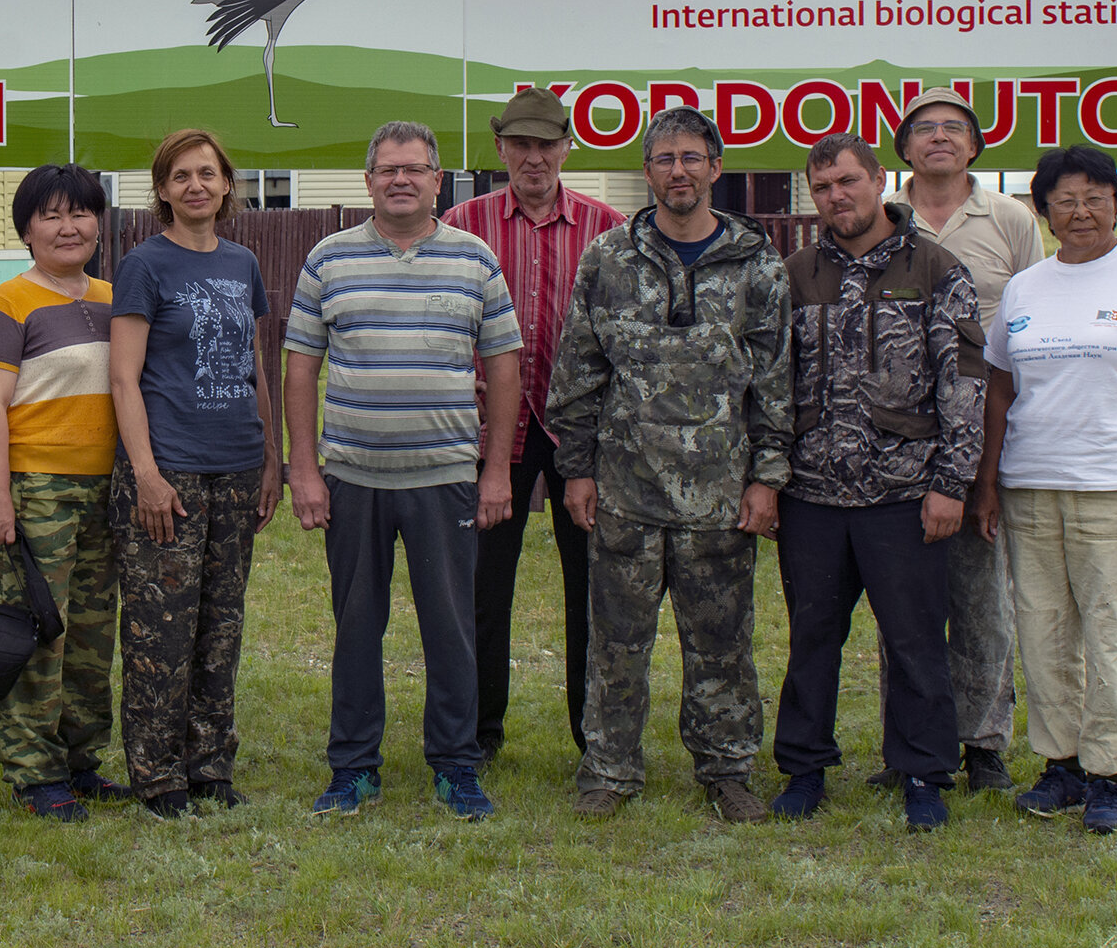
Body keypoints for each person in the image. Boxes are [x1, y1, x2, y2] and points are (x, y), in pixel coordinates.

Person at [548, 106, 788, 824]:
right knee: (615, 639)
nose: (677, 171)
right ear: (647, 171)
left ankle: (727, 769)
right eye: (663, 159)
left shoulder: (755, 262)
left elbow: (774, 379)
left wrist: (766, 477)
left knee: (722, 640)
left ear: (716, 167)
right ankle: (610, 767)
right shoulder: (610, 258)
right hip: (626, 486)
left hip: (719, 492)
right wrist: (577, 468)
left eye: (691, 157)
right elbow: (579, 369)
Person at [286, 121, 522, 821]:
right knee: (356, 624)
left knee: (452, 627)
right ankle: (354, 767)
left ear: (437, 180)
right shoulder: (328, 260)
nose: (401, 180)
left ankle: (456, 765)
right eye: (387, 169)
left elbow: (504, 368)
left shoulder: (475, 260)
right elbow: (301, 367)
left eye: (414, 169)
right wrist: (305, 466)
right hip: (354, 475)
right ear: (368, 181)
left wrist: (497, 469)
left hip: (443, 474)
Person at [981, 145, 1117, 836]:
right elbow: (999, 388)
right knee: (1043, 634)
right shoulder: (1026, 287)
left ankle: (1111, 775)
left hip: (1116, 489)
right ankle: (1061, 766)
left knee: (1111, 634)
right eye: (1065, 199)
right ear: (1042, 210)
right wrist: (987, 483)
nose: (1081, 211)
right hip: (1032, 485)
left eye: (1095, 196)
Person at [772, 133, 985, 832]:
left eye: (848, 181)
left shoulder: (934, 267)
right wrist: (771, 478)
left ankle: (924, 771)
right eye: (823, 185)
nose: (836, 196)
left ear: (879, 180)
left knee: (916, 640)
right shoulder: (797, 272)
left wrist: (951, 483)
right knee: (811, 638)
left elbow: (963, 384)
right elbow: (772, 385)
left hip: (903, 494)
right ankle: (804, 769)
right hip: (812, 496)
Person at [864, 87, 1047, 794]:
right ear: (904, 149)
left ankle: (983, 742)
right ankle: (909, 740)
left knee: (981, 598)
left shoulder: (1008, 220)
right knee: (902, 598)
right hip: (894, 438)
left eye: (954, 129)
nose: (939, 138)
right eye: (924, 129)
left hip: (981, 427)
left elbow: (1031, 316)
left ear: (974, 146)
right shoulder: (886, 220)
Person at [441, 86, 625, 765]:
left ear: (568, 148)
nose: (534, 156)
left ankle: (593, 734)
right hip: (492, 429)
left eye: (546, 143)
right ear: (500, 149)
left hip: (583, 430)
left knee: (594, 588)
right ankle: (481, 731)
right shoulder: (462, 223)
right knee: (483, 585)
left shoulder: (609, 227)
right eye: (520, 143)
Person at [108, 130, 283, 819]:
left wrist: (271, 458)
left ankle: (211, 763)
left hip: (236, 466)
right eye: (180, 175)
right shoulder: (144, 264)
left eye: (207, 173)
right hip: (169, 469)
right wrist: (146, 473)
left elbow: (255, 366)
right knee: (161, 628)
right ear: (162, 189)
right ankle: (159, 775)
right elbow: (124, 377)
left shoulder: (242, 262)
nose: (195, 186)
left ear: (225, 182)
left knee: (221, 624)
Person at [0, 164, 129, 823]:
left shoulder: (114, 298)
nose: (69, 227)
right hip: (39, 490)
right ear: (27, 228)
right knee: (40, 630)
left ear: (99, 221)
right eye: (52, 215)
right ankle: (33, 769)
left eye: (82, 213)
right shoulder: (7, 303)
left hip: (107, 491)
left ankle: (80, 759)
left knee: (93, 633)